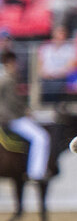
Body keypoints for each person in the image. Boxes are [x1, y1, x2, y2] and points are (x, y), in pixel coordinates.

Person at [0, 49, 50, 181]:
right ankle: (36, 173)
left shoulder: (6, 78)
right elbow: (13, 102)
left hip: (9, 117)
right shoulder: (7, 79)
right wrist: (25, 112)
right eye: (15, 63)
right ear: (10, 62)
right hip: (11, 119)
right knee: (41, 137)